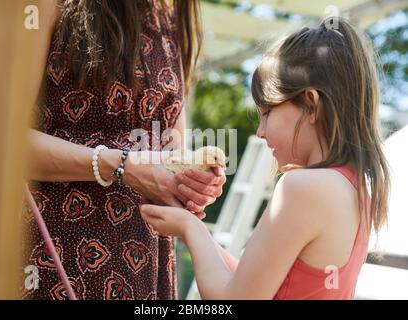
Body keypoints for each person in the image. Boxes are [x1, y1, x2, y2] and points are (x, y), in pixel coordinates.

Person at [140, 16, 390, 300]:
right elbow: (256, 283)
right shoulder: (356, 188)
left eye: (267, 113)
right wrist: (192, 232)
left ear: (311, 105)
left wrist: (190, 227)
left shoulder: (302, 188)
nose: (260, 132)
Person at [22, 0, 226, 300]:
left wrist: (189, 183)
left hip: (147, 262)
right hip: (54, 254)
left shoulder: (171, 17)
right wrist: (120, 165)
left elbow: (171, 145)